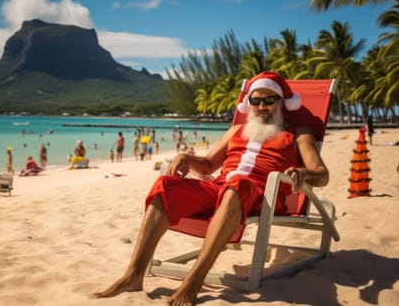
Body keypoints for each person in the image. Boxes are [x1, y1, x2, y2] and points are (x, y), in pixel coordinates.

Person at [93, 71, 330, 305]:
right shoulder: (237, 131)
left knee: (237, 185)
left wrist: (304, 173)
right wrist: (187, 157)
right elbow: (208, 165)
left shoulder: (298, 133)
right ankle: (133, 276)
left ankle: (192, 283)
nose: (262, 106)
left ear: (281, 103)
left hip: (265, 194)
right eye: (255, 101)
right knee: (165, 185)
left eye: (269, 100)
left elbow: (322, 174)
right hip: (223, 189)